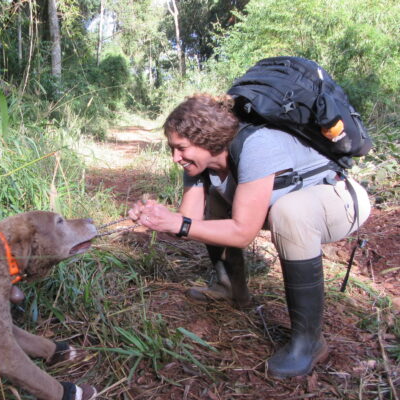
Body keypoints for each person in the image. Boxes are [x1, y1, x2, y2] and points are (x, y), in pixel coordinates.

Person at [128, 93, 371, 378]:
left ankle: (309, 342)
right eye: (172, 148)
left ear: (206, 140)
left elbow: (243, 232)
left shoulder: (256, 144)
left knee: (289, 211)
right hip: (286, 205)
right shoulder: (198, 162)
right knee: (220, 200)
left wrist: (177, 224)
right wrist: (158, 218)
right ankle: (231, 288)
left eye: (180, 148)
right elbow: (189, 222)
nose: (175, 157)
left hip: (340, 201)